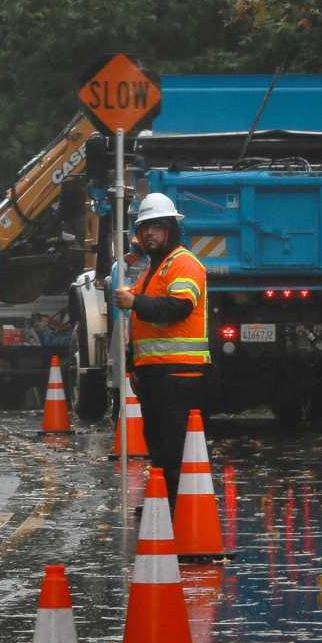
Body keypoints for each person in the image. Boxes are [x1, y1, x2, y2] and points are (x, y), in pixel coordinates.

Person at [114, 192, 209, 506]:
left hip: (179, 373)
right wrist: (132, 368)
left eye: (156, 227)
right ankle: (165, 507)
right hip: (155, 373)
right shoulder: (151, 271)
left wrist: (135, 301)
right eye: (145, 229)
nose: (150, 234)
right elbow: (140, 329)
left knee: (173, 447)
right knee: (158, 445)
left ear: (170, 229)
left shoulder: (184, 264)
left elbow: (178, 308)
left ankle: (177, 511)